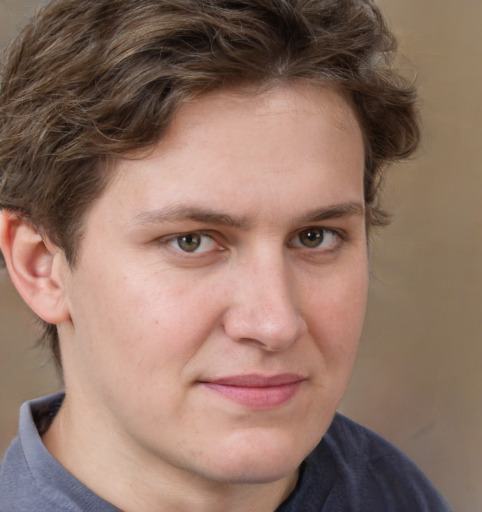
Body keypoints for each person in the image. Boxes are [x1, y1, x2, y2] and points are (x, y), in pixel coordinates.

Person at [0, 0, 453, 510]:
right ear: (41, 266)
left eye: (315, 236)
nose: (275, 323)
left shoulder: (395, 492)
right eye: (191, 241)